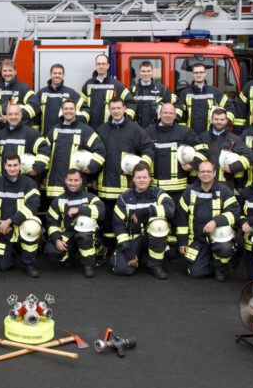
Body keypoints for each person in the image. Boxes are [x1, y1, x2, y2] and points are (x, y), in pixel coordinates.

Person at [95, 96, 155, 251]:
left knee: (126, 219)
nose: (116, 111)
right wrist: (92, 178)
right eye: (113, 108)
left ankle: (126, 250)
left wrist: (142, 166)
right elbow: (95, 154)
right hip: (106, 185)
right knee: (108, 221)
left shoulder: (135, 129)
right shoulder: (102, 130)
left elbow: (148, 147)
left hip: (126, 186)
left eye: (118, 108)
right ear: (109, 110)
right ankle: (109, 251)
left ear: (124, 109)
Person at [175, 160, 241, 281]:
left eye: (209, 171)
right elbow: (181, 218)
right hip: (197, 240)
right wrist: (183, 242)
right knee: (196, 273)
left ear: (214, 173)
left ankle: (220, 269)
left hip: (218, 238)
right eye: (203, 171)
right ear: (198, 174)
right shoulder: (190, 191)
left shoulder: (224, 191)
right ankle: (212, 263)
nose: (206, 174)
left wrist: (216, 222)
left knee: (225, 247)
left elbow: (235, 213)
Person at [111, 162, 175, 279]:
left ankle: (155, 265)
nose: (142, 180)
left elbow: (170, 209)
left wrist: (147, 211)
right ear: (133, 179)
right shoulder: (124, 198)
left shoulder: (158, 193)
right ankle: (139, 256)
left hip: (151, 237)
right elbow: (118, 225)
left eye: (145, 177)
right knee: (123, 270)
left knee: (159, 225)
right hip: (132, 239)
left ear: (150, 179)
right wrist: (127, 250)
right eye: (138, 177)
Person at [0, 154, 42, 277]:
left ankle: (29, 264)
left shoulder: (29, 183)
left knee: (32, 227)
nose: (12, 168)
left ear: (20, 166)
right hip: (2, 229)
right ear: (4, 166)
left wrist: (11, 221)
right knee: (1, 266)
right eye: (9, 165)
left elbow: (33, 205)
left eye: (15, 165)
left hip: (21, 226)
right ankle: (12, 253)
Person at [46, 169, 106, 277]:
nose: (73, 183)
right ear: (65, 180)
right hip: (67, 234)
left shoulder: (90, 197)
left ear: (81, 181)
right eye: (70, 180)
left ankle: (88, 264)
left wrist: (80, 209)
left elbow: (101, 212)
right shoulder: (58, 201)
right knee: (51, 250)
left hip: (85, 234)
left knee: (84, 236)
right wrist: (56, 239)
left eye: (76, 180)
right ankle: (70, 256)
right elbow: (51, 222)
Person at [44, 98, 105, 199]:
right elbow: (45, 154)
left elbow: (100, 149)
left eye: (71, 108)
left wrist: (92, 167)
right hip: (54, 186)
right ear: (62, 111)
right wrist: (45, 174)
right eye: (66, 108)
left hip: (76, 187)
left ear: (76, 111)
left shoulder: (85, 130)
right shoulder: (54, 131)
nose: (68, 111)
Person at [147, 103, 206, 196]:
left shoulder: (185, 132)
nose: (168, 115)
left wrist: (194, 163)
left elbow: (203, 148)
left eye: (171, 113)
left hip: (178, 189)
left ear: (175, 115)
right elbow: (140, 152)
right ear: (160, 114)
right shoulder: (148, 132)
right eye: (165, 112)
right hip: (154, 188)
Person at [0, 103, 51, 179]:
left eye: (16, 114)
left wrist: (36, 169)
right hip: (3, 184)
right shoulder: (0, 135)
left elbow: (45, 150)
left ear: (21, 115)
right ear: (6, 116)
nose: (13, 117)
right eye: (10, 114)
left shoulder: (31, 134)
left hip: (25, 184)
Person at [199, 107, 252, 189]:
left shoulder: (234, 139)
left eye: (222, 119)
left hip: (226, 184)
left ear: (227, 121)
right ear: (211, 120)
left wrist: (233, 167)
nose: (219, 122)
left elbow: (249, 156)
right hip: (204, 184)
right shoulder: (202, 137)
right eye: (216, 119)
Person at [82, 53, 134, 130]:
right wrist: (84, 120)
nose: (101, 66)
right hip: (91, 128)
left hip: (110, 129)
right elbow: (81, 105)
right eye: (98, 64)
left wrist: (126, 119)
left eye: (103, 64)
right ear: (95, 66)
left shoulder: (116, 85)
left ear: (108, 66)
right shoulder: (88, 84)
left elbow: (130, 102)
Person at [35, 63, 87, 135]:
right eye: (55, 73)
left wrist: (79, 120)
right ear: (50, 74)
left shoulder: (71, 93)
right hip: (45, 135)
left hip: (65, 136)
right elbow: (35, 114)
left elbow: (85, 108)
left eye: (60, 73)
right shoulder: (41, 93)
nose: (57, 75)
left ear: (63, 75)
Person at [0, 59, 38, 127]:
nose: (7, 73)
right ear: (1, 72)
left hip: (19, 129)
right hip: (0, 128)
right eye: (5, 71)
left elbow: (34, 105)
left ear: (15, 72)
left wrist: (17, 116)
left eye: (10, 70)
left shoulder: (24, 88)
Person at [176, 62, 227, 135]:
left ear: (205, 74)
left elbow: (229, 107)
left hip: (211, 135)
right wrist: (183, 131)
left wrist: (222, 123)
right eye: (196, 73)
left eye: (201, 72)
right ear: (193, 74)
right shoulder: (185, 93)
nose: (199, 75)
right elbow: (180, 113)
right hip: (191, 135)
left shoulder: (215, 92)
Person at [129, 61, 170, 129]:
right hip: (137, 129)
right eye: (143, 71)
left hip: (156, 129)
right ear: (139, 72)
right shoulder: (131, 90)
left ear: (152, 72)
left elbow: (174, 105)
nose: (146, 74)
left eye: (148, 71)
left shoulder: (162, 90)